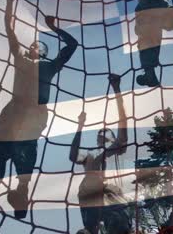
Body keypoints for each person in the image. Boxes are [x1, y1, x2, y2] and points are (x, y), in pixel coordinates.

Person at [0, 0, 78, 226]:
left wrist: (14, 5)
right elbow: (11, 32)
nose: (35, 46)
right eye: (34, 44)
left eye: (37, 45)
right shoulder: (37, 64)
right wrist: (11, 5)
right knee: (14, 152)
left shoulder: (38, 64)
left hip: (22, 112)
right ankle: (11, 197)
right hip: (28, 115)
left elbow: (11, 30)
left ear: (39, 52)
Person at [71, 74, 131, 234]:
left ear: (113, 138)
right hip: (90, 195)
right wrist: (79, 126)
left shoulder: (117, 148)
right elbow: (72, 155)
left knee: (120, 227)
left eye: (106, 132)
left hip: (113, 198)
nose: (102, 134)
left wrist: (116, 89)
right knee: (87, 232)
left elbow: (123, 120)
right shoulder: (90, 155)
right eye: (100, 134)